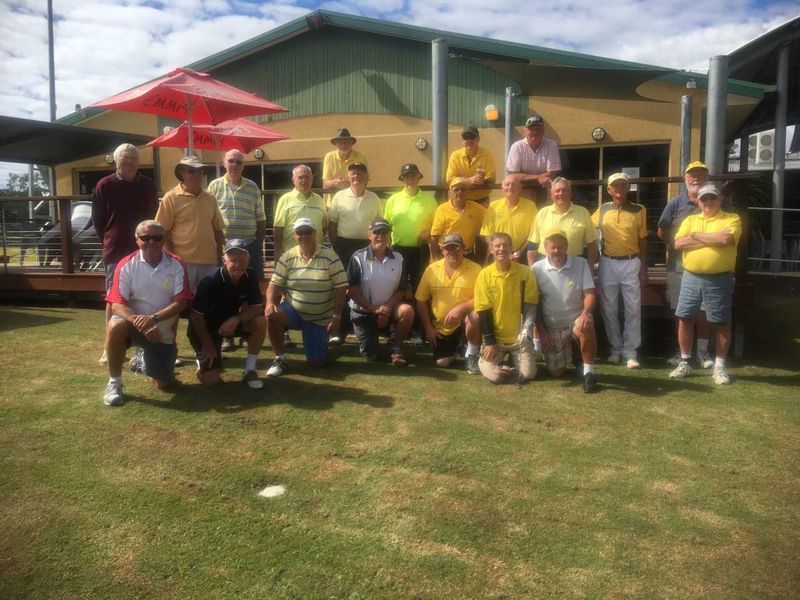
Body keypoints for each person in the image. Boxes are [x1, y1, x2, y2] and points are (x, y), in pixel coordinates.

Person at [102, 220, 192, 406]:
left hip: (161, 330)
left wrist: (152, 319)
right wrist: (141, 323)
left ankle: (143, 359)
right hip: (133, 324)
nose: (151, 241)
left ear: (164, 240)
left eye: (157, 238)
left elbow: (181, 302)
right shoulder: (126, 264)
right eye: (145, 237)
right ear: (137, 240)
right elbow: (116, 305)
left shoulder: (177, 264)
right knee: (115, 325)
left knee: (164, 385)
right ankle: (115, 383)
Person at [91, 143, 158, 364]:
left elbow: (153, 215)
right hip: (116, 250)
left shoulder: (147, 185)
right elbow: (98, 221)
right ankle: (109, 347)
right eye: (125, 157)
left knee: (144, 296)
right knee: (114, 298)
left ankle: (144, 347)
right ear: (116, 160)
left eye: (133, 158)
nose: (129, 161)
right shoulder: (104, 185)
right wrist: (109, 240)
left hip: (144, 248)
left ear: (139, 162)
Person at [669, 185, 741, 385]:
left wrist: (694, 235)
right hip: (690, 276)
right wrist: (711, 239)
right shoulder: (690, 220)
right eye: (704, 199)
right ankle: (685, 362)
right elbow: (678, 244)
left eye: (712, 198)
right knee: (684, 317)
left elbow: (726, 239)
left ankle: (719, 367)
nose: (708, 202)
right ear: (698, 202)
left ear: (720, 199)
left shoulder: (732, 219)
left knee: (721, 321)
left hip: (720, 278)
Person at [264, 218, 348, 377]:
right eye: (300, 232)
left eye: (307, 231)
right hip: (293, 311)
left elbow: (341, 287)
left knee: (316, 363)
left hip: (319, 318)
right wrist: (269, 303)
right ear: (294, 235)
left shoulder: (330, 256)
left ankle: (319, 349)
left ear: (315, 233)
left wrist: (336, 316)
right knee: (273, 315)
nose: (304, 235)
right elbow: (274, 283)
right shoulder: (288, 256)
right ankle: (280, 358)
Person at [658, 161, 718, 369]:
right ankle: (682, 353)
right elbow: (662, 229)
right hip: (678, 267)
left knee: (703, 311)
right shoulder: (676, 202)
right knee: (681, 311)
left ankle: (702, 352)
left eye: (701, 174)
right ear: (685, 179)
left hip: (708, 268)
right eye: (692, 175)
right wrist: (676, 245)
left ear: (707, 177)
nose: (696, 178)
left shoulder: (718, 201)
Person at [187, 239, 267, 390]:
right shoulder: (210, 281)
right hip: (205, 329)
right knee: (211, 381)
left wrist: (237, 320)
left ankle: (249, 370)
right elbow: (196, 316)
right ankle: (201, 362)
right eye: (233, 260)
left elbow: (257, 307)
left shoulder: (250, 275)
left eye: (242, 259)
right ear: (224, 261)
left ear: (248, 260)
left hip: (231, 324)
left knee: (260, 321)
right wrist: (207, 344)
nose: (238, 264)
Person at [208, 149, 267, 352]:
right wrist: (219, 247)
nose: (234, 164)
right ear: (224, 163)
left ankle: (246, 332)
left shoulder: (253, 187)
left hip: (249, 244)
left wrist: (257, 245)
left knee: (251, 289)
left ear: (244, 165)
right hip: (225, 247)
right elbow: (211, 218)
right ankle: (227, 336)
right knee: (224, 292)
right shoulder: (214, 186)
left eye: (239, 162)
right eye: (231, 160)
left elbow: (261, 218)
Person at [532, 228, 599, 393]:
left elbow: (589, 293)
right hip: (552, 327)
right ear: (546, 248)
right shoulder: (536, 269)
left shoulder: (581, 264)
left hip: (575, 320)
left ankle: (589, 373)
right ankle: (575, 356)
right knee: (556, 373)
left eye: (560, 247)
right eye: (553, 247)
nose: (556, 251)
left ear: (566, 247)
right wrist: (542, 332)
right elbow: (534, 304)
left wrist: (586, 313)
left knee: (586, 325)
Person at [592, 172, 648, 369]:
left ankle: (631, 352)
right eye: (615, 185)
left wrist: (644, 268)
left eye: (623, 185)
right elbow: (588, 229)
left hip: (631, 262)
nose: (619, 189)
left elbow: (643, 240)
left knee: (633, 308)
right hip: (607, 262)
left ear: (628, 187)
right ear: (609, 190)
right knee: (609, 308)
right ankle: (615, 349)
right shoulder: (602, 210)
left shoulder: (639, 209)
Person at [327, 162, 384, 344]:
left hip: (366, 246)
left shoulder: (374, 198)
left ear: (366, 178)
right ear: (348, 176)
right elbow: (332, 223)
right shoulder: (339, 197)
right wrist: (336, 245)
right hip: (344, 245)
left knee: (366, 285)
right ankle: (340, 330)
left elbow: (378, 224)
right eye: (353, 173)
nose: (356, 176)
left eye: (360, 173)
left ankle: (367, 328)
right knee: (343, 287)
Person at [348, 218, 415, 366]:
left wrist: (386, 309)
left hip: (389, 310)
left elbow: (401, 290)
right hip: (364, 311)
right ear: (369, 235)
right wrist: (374, 309)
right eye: (377, 232)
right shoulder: (358, 257)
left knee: (407, 311)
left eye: (384, 232)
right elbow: (352, 291)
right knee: (370, 356)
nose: (381, 236)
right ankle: (384, 346)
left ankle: (396, 348)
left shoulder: (398, 258)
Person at [474, 232, 539, 384]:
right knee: (496, 377)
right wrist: (489, 342)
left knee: (529, 374)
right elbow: (483, 311)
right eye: (497, 246)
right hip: (496, 340)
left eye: (505, 245)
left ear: (511, 248)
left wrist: (526, 330)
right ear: (491, 249)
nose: (501, 249)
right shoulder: (484, 275)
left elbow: (531, 306)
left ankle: (511, 363)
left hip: (519, 339)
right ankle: (495, 362)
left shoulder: (525, 272)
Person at [155, 155, 225, 291]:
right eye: (191, 171)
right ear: (182, 173)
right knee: (183, 299)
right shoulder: (170, 198)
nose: (196, 175)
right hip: (183, 262)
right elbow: (163, 232)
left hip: (209, 261)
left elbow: (217, 230)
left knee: (209, 299)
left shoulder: (210, 198)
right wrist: (172, 260)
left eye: (200, 171)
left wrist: (220, 256)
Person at [415, 233, 482, 372]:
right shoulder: (432, 269)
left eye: (456, 248)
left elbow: (482, 298)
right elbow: (420, 300)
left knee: (475, 316)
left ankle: (472, 353)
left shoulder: (476, 269)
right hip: (443, 327)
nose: (452, 252)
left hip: (466, 321)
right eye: (448, 248)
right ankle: (458, 348)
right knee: (442, 363)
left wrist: (461, 309)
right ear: (442, 250)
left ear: (463, 249)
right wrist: (428, 328)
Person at [383, 163, 438, 299]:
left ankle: (419, 312)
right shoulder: (393, 200)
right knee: (396, 284)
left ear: (419, 178)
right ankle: (398, 310)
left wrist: (429, 232)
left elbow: (437, 225)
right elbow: (387, 226)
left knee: (420, 285)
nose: (410, 179)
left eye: (413, 175)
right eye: (407, 176)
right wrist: (385, 249)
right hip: (398, 249)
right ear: (402, 179)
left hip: (420, 250)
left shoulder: (430, 200)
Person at [527, 176, 597, 267]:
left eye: (564, 190)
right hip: (545, 264)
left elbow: (591, 243)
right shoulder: (542, 213)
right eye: (557, 191)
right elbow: (533, 244)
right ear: (552, 195)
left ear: (570, 194)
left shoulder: (583, 212)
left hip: (574, 264)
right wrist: (531, 268)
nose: (561, 193)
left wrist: (590, 267)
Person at [272, 164, 327, 261]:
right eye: (300, 177)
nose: (304, 180)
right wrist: (278, 251)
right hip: (291, 255)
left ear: (312, 179)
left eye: (307, 177)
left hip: (316, 255)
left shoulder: (319, 200)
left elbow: (324, 226)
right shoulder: (285, 199)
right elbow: (278, 228)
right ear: (293, 180)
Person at [480, 175, 538, 263]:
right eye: (507, 184)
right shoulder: (493, 206)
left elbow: (534, 233)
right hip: (498, 255)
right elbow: (487, 233)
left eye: (514, 184)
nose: (510, 187)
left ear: (520, 188)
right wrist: (498, 250)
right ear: (502, 188)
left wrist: (519, 253)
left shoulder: (530, 206)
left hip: (522, 256)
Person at [505, 114, 561, 197]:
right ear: (525, 130)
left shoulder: (551, 145)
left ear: (543, 130)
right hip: (522, 193)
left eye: (538, 129)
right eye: (531, 129)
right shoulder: (516, 147)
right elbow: (513, 175)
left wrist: (524, 177)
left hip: (545, 192)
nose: (535, 132)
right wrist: (538, 178)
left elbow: (552, 174)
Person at [430, 180, 486, 262]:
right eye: (456, 190)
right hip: (448, 254)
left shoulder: (476, 208)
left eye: (463, 189)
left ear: (467, 192)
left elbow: (491, 216)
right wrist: (436, 258)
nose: (460, 192)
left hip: (468, 254)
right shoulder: (442, 209)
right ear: (450, 193)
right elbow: (434, 237)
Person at [445, 125, 496, 206]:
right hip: (460, 202)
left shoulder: (487, 155)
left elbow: (491, 178)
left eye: (472, 137)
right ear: (462, 141)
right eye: (465, 137)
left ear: (478, 139)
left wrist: (482, 180)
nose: (469, 140)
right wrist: (469, 180)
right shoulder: (455, 156)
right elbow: (450, 179)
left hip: (482, 202)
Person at [322, 128, 367, 199]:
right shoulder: (329, 157)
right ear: (336, 144)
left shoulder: (360, 157)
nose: (343, 145)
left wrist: (347, 184)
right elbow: (325, 184)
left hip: (354, 200)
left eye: (346, 142)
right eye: (340, 143)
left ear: (351, 143)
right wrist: (335, 183)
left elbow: (365, 181)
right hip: (334, 201)